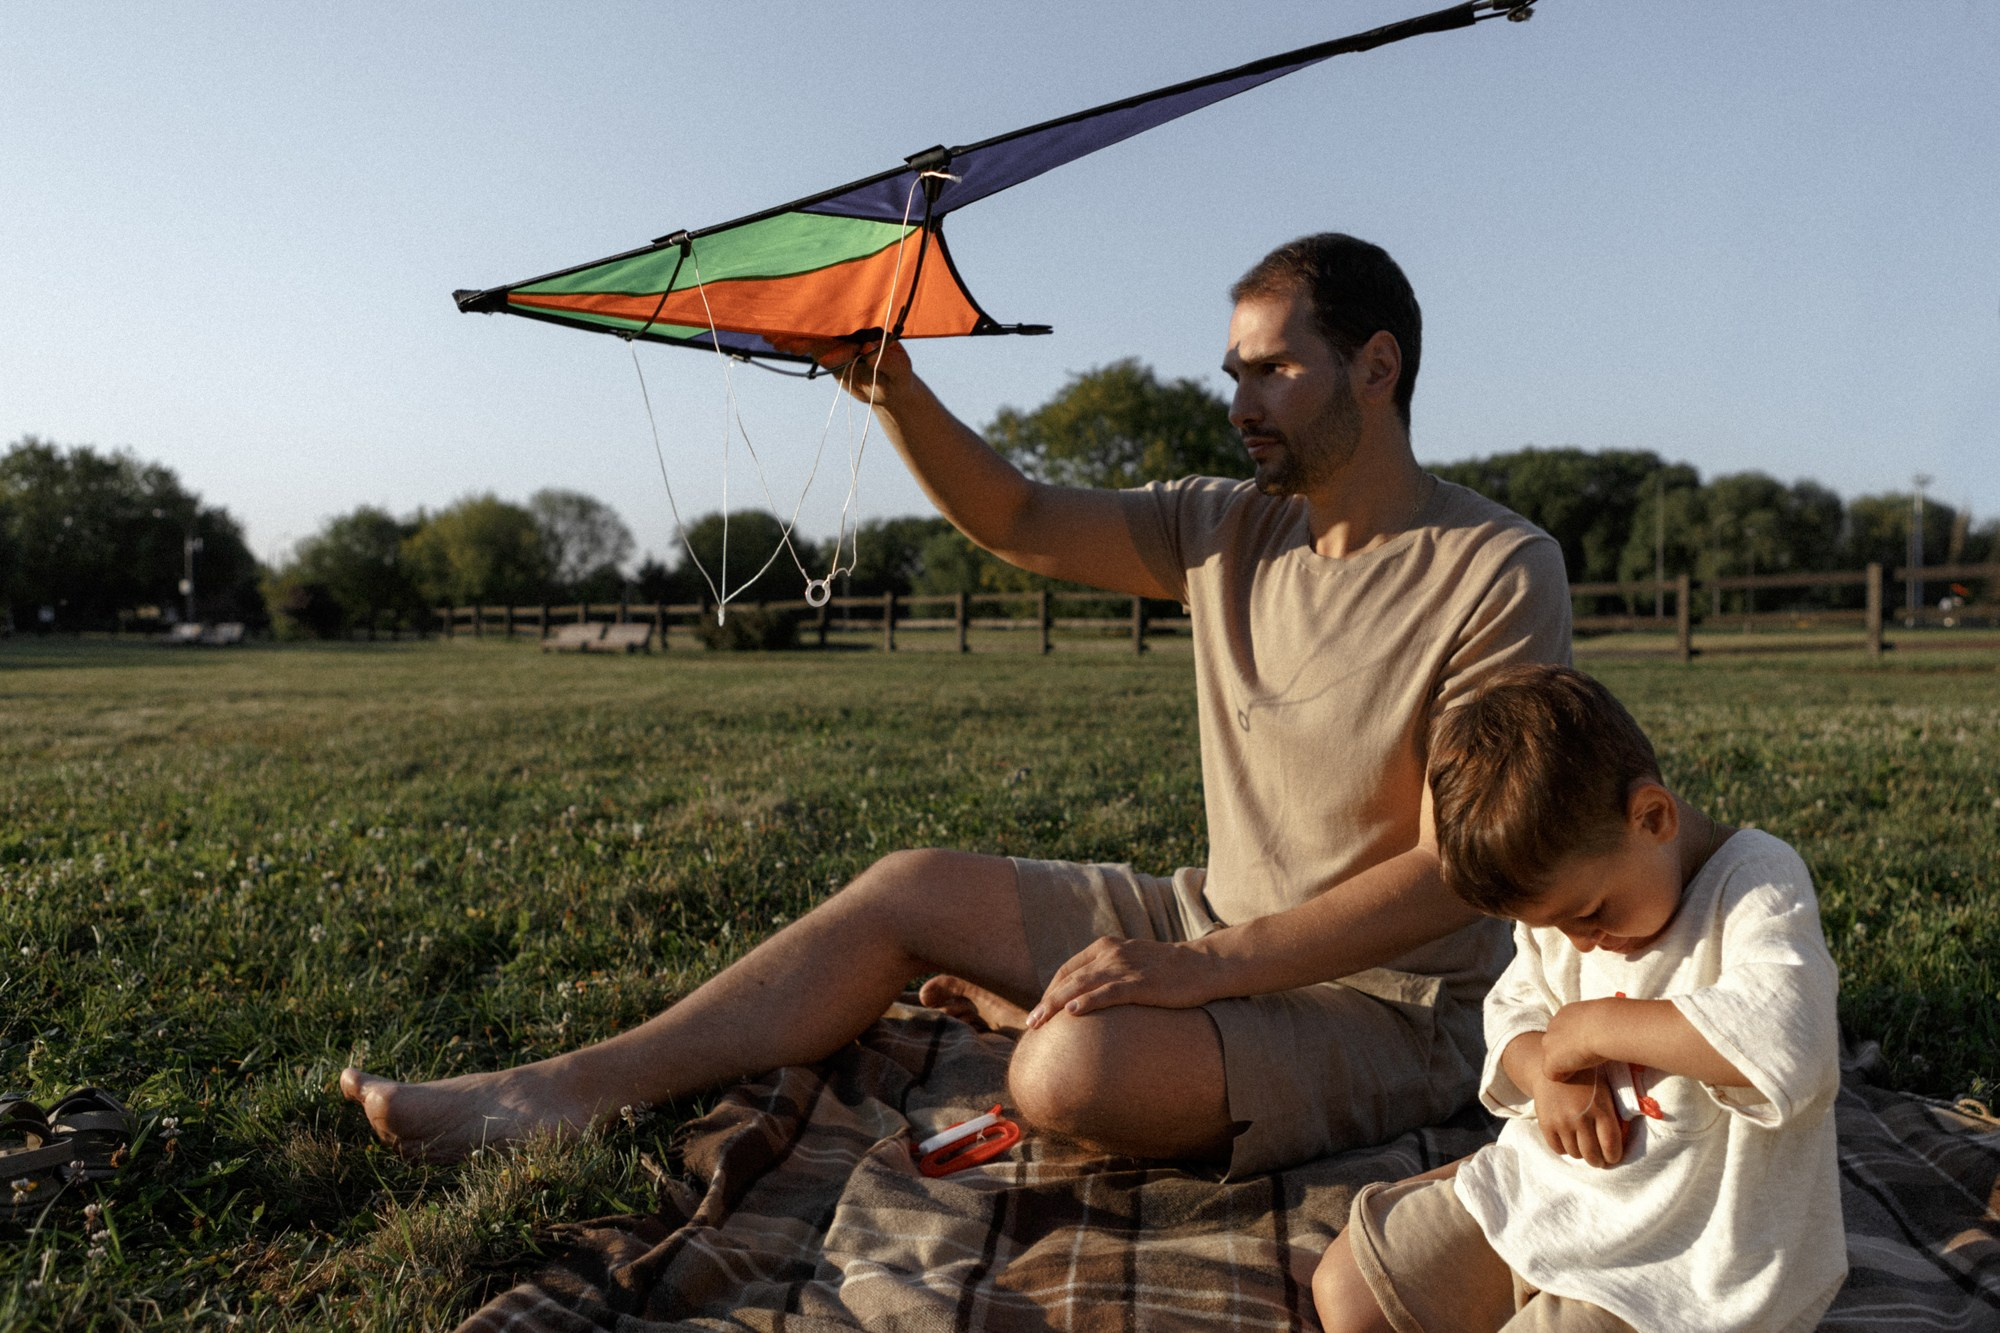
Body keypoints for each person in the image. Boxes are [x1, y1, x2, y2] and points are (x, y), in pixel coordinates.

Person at [341, 233, 1571, 1175]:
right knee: (906, 889)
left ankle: (1042, 1020)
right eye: (1233, 373)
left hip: (1388, 1004)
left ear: (1375, 366)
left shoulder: (1498, 568)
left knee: (1068, 1070)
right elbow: (1019, 517)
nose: (1240, 404)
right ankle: (557, 1091)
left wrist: (1192, 972)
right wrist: (887, 385)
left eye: (1274, 371)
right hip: (1209, 924)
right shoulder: (1223, 524)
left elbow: (1455, 871)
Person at [1313, 664, 1845, 1332]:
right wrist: (1544, 1072)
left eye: (1591, 912)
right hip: (1553, 1198)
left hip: (1685, 1260)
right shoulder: (1569, 903)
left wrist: (1596, 1029)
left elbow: (1790, 1042)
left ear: (1652, 816)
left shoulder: (1754, 883)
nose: (1581, 942)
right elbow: (1512, 1010)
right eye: (1553, 925)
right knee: (1349, 1292)